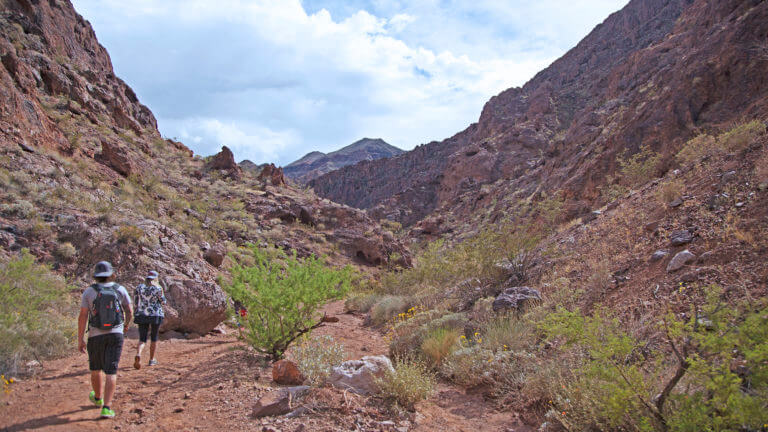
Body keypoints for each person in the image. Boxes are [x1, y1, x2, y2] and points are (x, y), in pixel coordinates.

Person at [77, 261, 132, 419]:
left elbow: (83, 316)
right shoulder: (120, 289)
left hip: (95, 335)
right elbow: (129, 310)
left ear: (96, 276)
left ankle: (98, 398)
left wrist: (80, 339)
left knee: (95, 369)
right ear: (112, 274)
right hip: (116, 334)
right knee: (111, 371)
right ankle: (107, 407)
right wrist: (126, 325)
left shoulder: (89, 292)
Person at [133, 270, 166, 369]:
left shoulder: (139, 287)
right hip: (155, 314)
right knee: (154, 337)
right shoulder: (158, 287)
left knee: (142, 338)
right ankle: (152, 359)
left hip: (142, 314)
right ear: (155, 278)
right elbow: (163, 301)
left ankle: (139, 353)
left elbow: (135, 301)